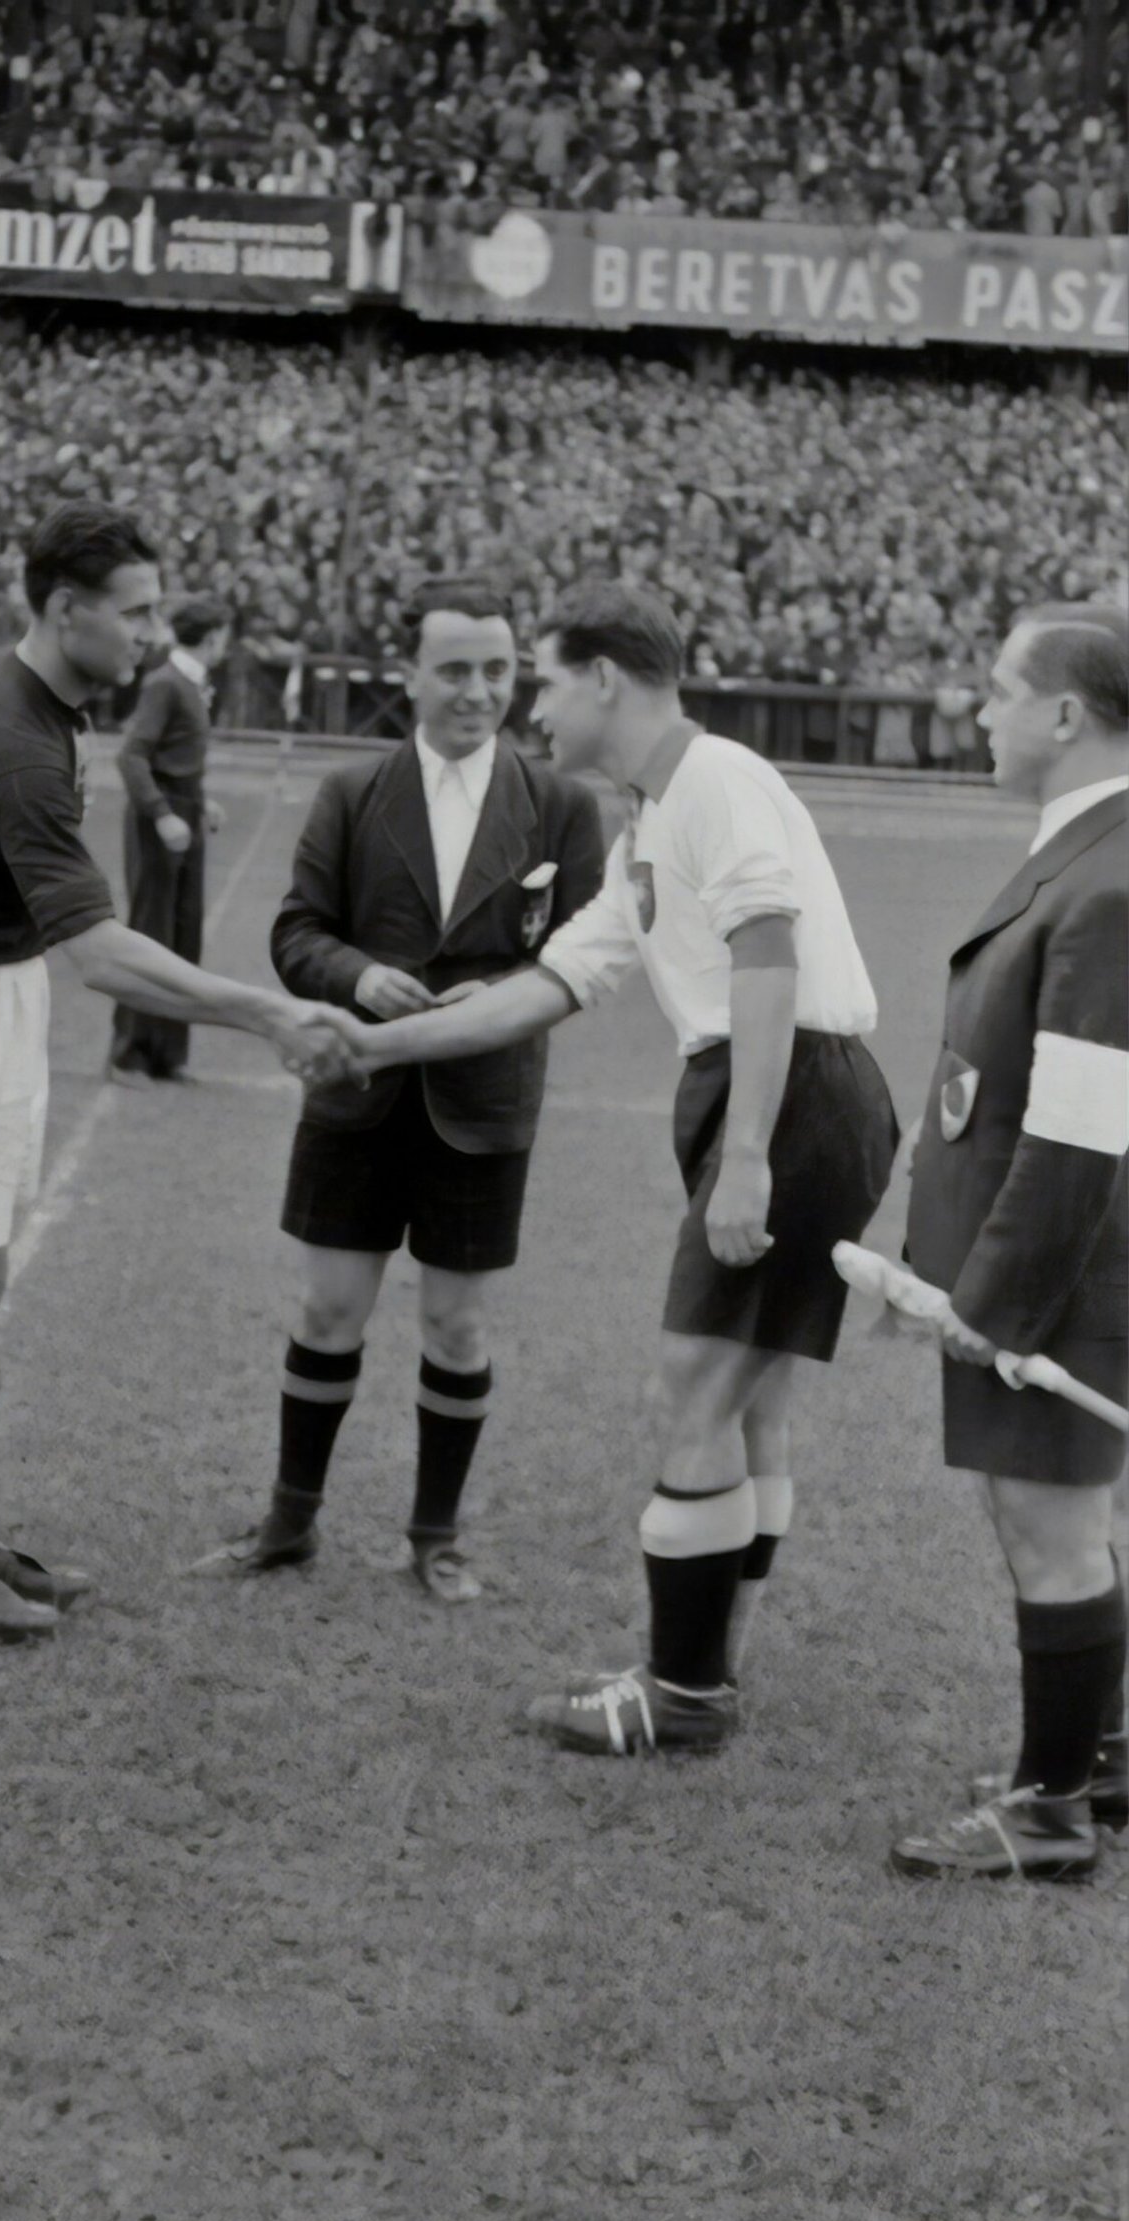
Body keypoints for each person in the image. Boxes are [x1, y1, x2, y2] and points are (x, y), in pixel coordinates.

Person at [349, 579, 898, 1745]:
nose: (531, 706)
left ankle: (680, 1694)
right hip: (772, 1090)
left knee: (694, 1384)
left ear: (604, 676)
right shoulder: (650, 819)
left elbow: (766, 948)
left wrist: (747, 1151)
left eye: (544, 679)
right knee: (748, 1401)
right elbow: (555, 982)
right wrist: (375, 1040)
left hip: (790, 1091)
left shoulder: (715, 780)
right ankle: (710, 1664)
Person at [0, 502, 362, 1644]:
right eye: (136, 612)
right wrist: (267, 1009)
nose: (154, 633)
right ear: (65, 610)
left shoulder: (51, 703)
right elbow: (98, 953)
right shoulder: (17, 739)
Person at [198, 575, 605, 1602]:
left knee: (457, 1327)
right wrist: (353, 975)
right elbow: (296, 933)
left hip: (484, 1103)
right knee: (330, 1308)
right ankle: (289, 1523)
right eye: (455, 670)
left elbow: (584, 958)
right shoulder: (352, 791)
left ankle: (436, 1538)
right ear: (409, 675)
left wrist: (503, 991)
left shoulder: (559, 804)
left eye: (498, 671)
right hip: (355, 1093)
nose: (478, 691)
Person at [890, 603, 1128, 1881]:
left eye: (994, 690)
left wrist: (997, 1301)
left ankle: (1047, 1814)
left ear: (1063, 714)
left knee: (1052, 1527)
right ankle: (1099, 1763)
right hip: (1057, 1268)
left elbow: (1083, 1128)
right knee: (1067, 1520)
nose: (974, 712)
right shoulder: (1088, 850)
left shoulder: (1111, 871)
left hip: (1067, 1276)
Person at [109, 594, 233, 1085]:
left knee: (183, 934)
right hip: (159, 819)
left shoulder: (196, 684)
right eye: (224, 636)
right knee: (149, 934)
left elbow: (179, 756)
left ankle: (167, 1052)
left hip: (185, 811)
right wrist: (162, 814)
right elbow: (132, 757)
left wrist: (200, 803)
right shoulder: (166, 683)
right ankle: (128, 1053)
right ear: (211, 638)